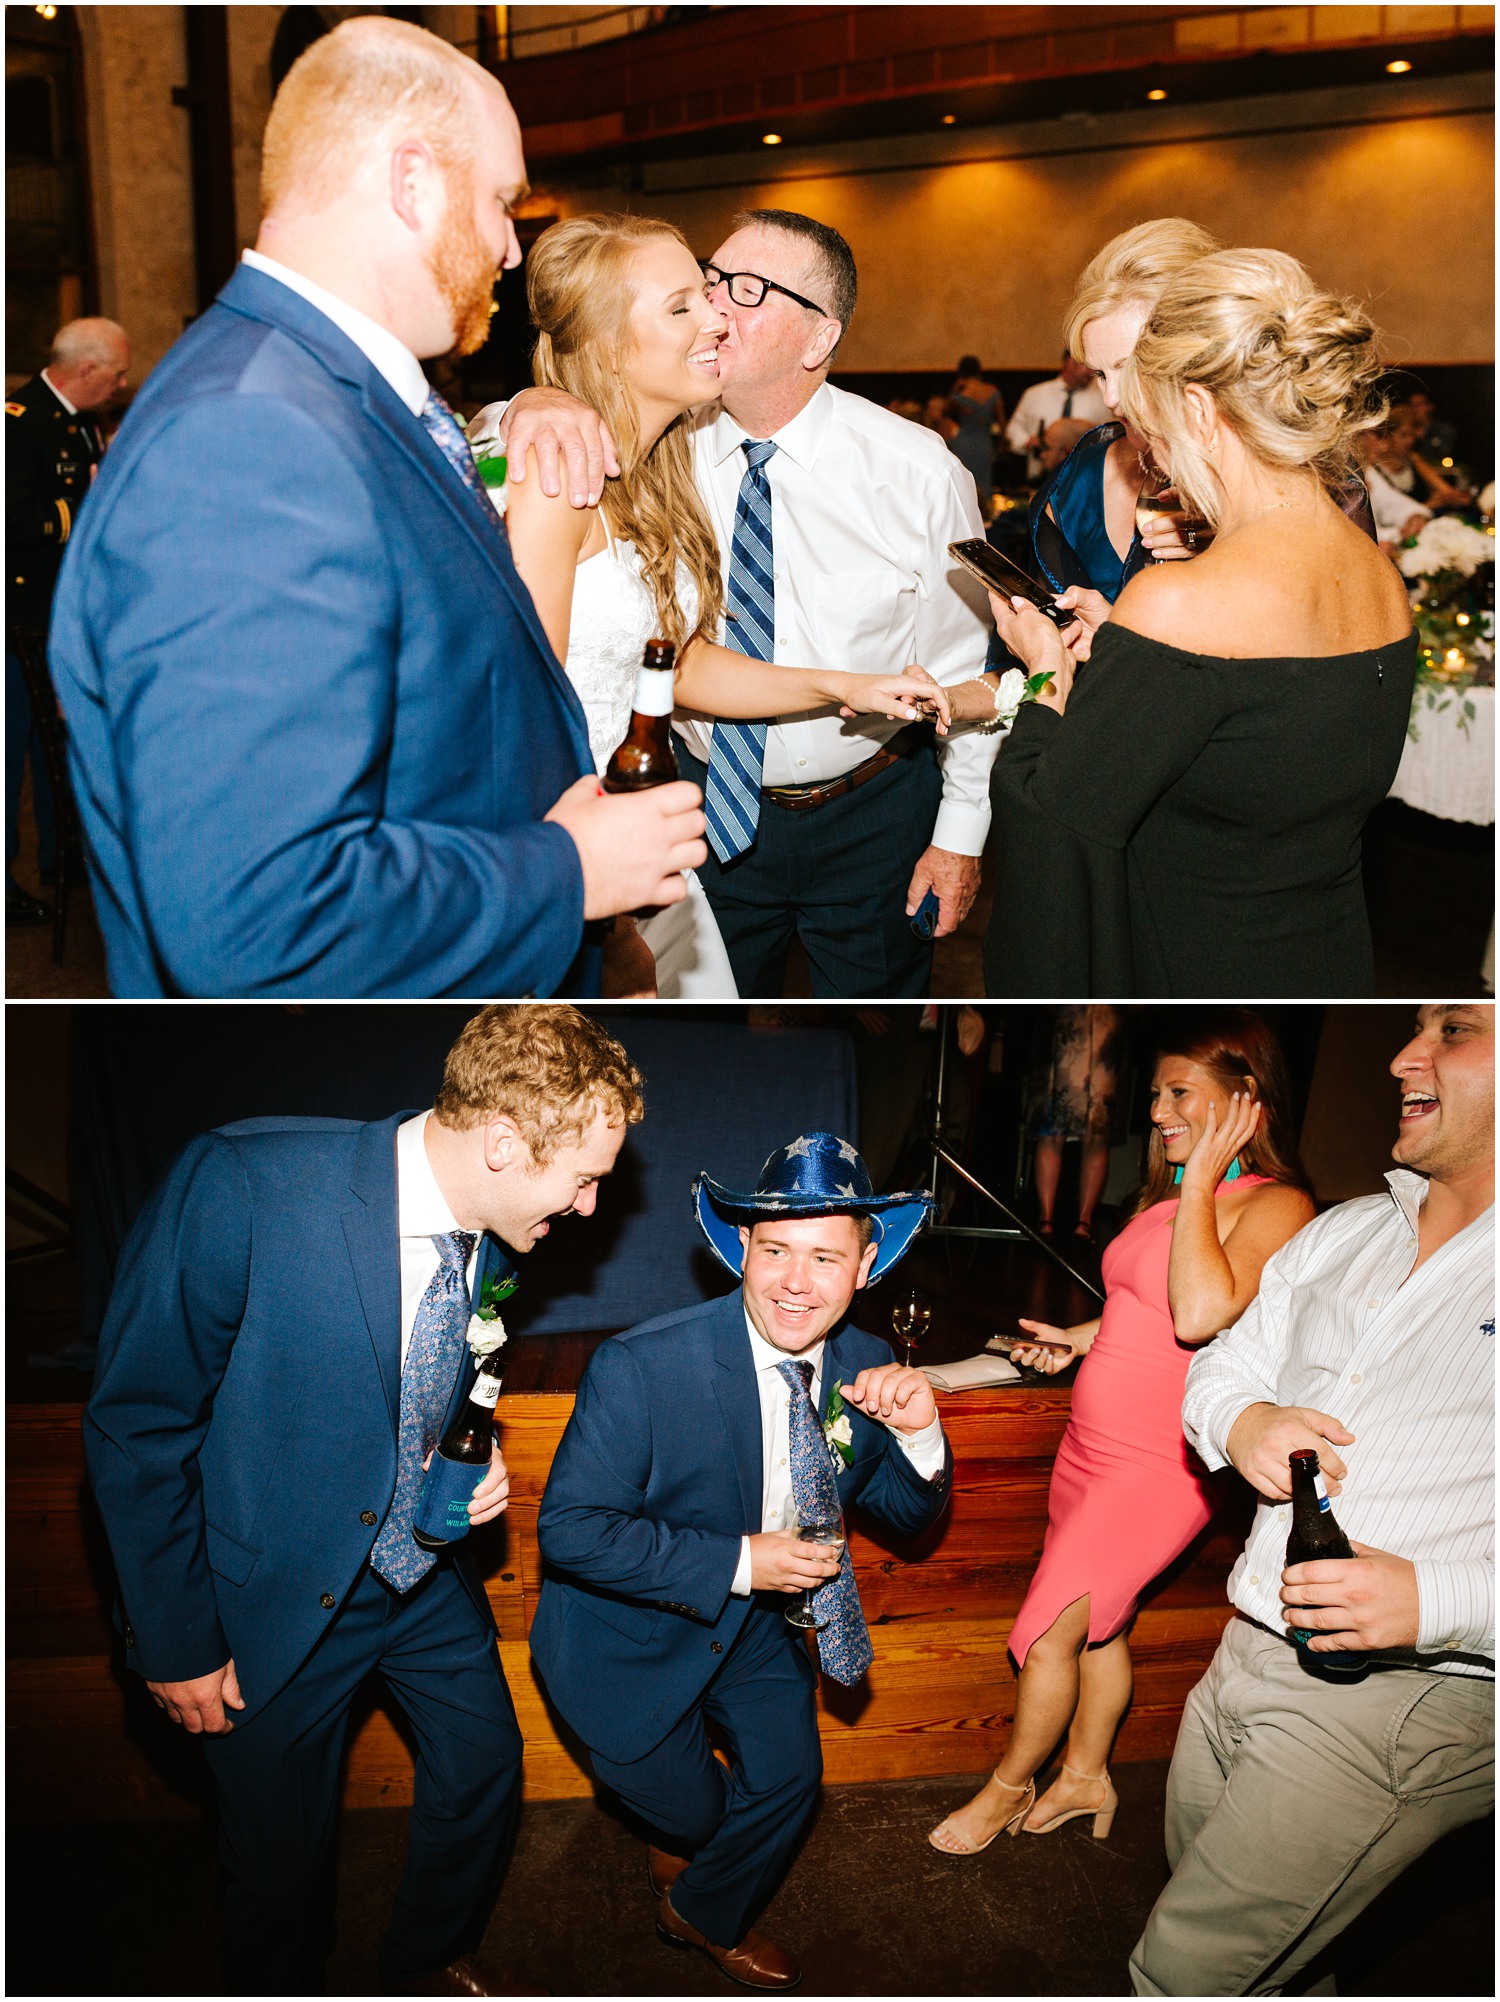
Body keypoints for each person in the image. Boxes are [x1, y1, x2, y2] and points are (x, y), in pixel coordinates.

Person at [47, 17, 705, 998]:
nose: (510, 251)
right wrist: (565, 873)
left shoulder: (322, 390)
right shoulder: (248, 441)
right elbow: (256, 915)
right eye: (498, 203)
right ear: (411, 183)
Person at [83, 1003, 644, 1996]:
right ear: (506, 1142)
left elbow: (426, 1376)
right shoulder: (246, 1186)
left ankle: (426, 1959)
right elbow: (138, 1422)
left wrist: (478, 1457)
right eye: (587, 1177)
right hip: (270, 1600)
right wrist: (171, 1640)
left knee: (484, 1770)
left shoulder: (500, 1226)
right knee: (281, 1872)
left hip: (420, 1575)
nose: (594, 1206)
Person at [498, 208, 998, 997]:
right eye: (703, 287)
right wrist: (528, 401)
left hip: (867, 811)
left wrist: (951, 826)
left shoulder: (914, 470)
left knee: (866, 1035)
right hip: (662, 809)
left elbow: (962, 666)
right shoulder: (615, 447)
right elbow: (523, 702)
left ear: (818, 338)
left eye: (746, 290)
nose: (719, 309)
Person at [529, 1131, 952, 1988]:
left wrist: (922, 1437)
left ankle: (699, 1912)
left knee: (794, 1781)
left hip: (756, 1629)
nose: (797, 1282)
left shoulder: (868, 1363)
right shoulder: (643, 1367)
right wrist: (737, 1560)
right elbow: (570, 1531)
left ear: (866, 1266)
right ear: (742, 1253)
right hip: (623, 1640)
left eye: (826, 1257)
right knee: (699, 1811)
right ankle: (680, 1835)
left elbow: (907, 1519)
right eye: (776, 1251)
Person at [1131, 1002, 1494, 1996]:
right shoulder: (1347, 1229)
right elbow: (1220, 1364)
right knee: (1258, 1932)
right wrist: (1242, 1423)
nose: (1402, 1054)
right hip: (1246, 1638)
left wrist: (1437, 1599)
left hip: (1410, 1690)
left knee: (1182, 1970)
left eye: (1456, 1029)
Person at [965, 246, 1417, 997]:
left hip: (1189, 961)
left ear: (1201, 411)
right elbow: (1254, 741)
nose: (1144, 443)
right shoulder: (1380, 577)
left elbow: (1056, 832)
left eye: (1152, 418)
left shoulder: (1181, 600)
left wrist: (1045, 663)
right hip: (1325, 958)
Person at [929, 1013, 1315, 1857]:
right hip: (1089, 1452)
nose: (1159, 1112)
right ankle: (1086, 1776)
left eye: (1181, 1094)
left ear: (1245, 1101)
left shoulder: (1278, 1204)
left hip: (1161, 1465)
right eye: (1155, 1095)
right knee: (1103, 1623)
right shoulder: (1171, 1197)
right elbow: (1141, 1313)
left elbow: (1203, 1309)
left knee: (1047, 1632)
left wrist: (1208, 1179)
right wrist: (1075, 1339)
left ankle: (1003, 1791)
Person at [5, 316, 130, 925]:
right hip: (17, 618)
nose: (123, 383)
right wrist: (89, 506)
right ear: (87, 370)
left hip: (60, 617)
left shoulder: (80, 422)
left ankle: (64, 859)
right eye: (118, 372)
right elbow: (14, 522)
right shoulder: (18, 427)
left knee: (59, 741)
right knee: (11, 759)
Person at [1026, 1004, 1125, 1245]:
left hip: (1103, 1024)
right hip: (1061, 1021)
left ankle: (1078, 1222)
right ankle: (1052, 1220)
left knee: (1095, 1131)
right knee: (1054, 1129)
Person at [1004, 350, 1110, 481]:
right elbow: (1013, 428)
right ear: (1070, 362)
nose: (1092, 372)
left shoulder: (1104, 399)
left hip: (1084, 477)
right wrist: (1027, 441)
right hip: (1040, 476)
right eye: (1088, 365)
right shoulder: (1034, 394)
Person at [946, 355, 1004, 509]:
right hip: (984, 442)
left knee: (964, 483)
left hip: (964, 442)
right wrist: (999, 445)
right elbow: (1002, 423)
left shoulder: (961, 393)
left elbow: (946, 411)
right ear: (979, 370)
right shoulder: (992, 391)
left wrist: (954, 390)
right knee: (983, 483)